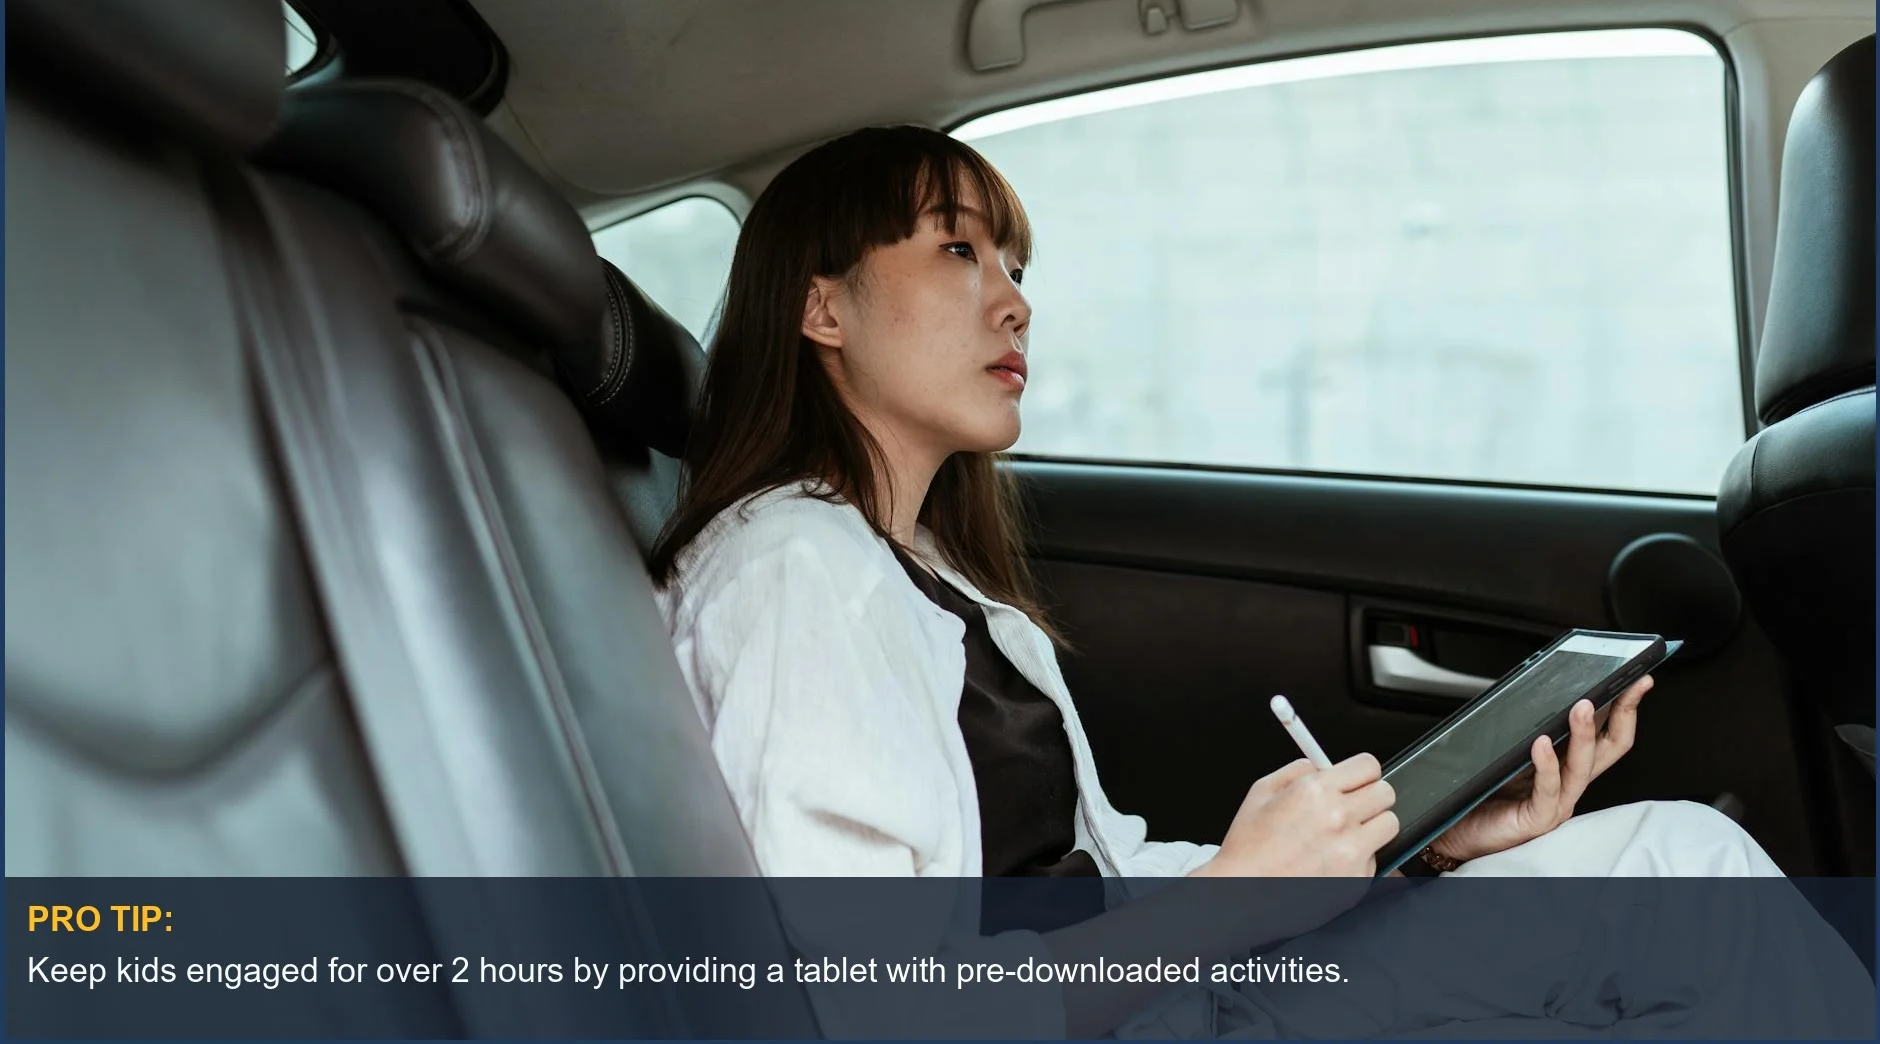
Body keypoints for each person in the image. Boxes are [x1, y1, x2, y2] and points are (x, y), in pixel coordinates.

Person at [650, 126, 1872, 1039]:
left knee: (1678, 856)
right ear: (820, 306)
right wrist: (1235, 897)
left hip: (1175, 993)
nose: (1014, 301)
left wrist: (1410, 848)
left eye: (1013, 264)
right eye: (958, 249)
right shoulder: (794, 570)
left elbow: (1099, 879)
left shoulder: (927, 576)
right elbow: (874, 1005)